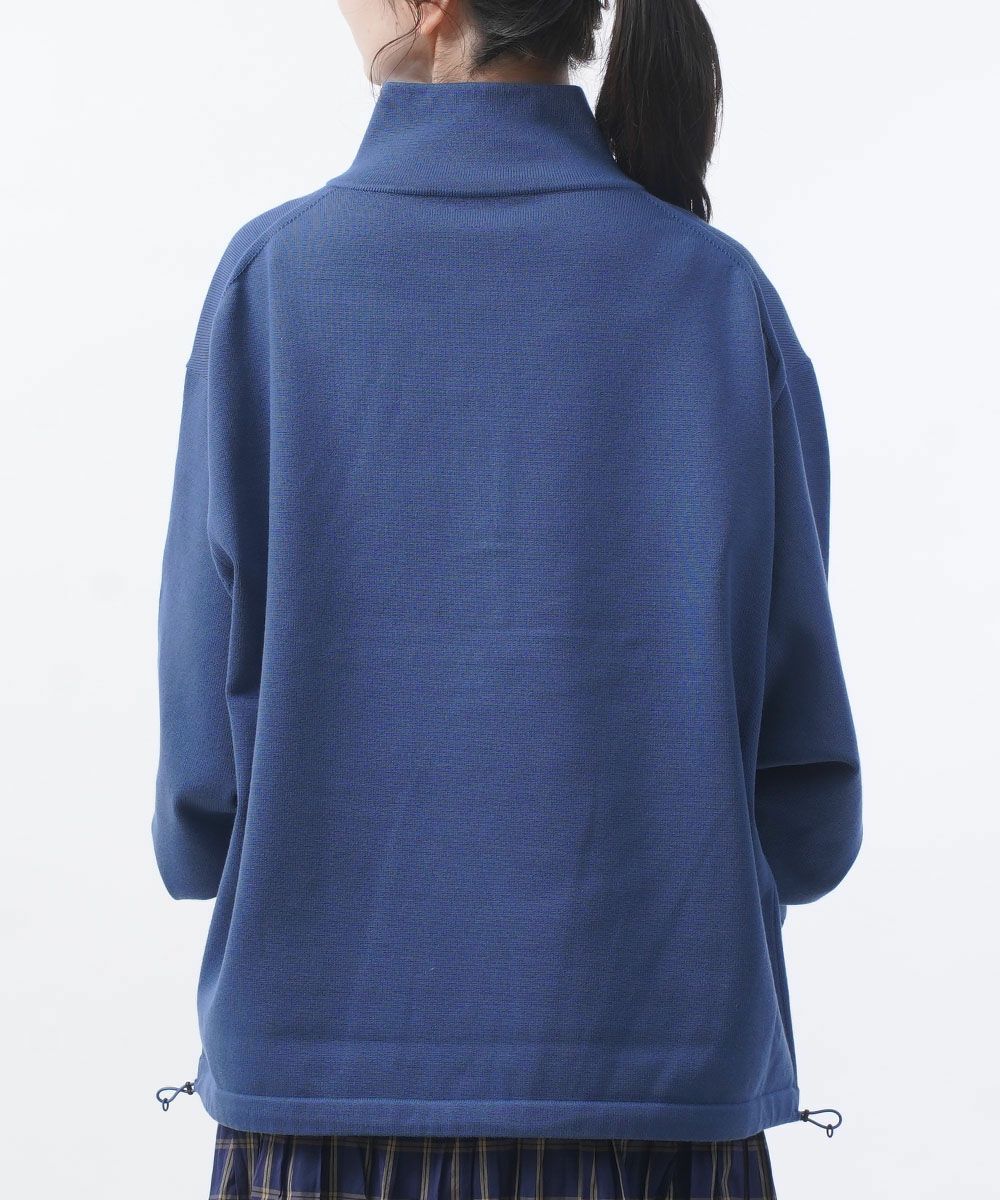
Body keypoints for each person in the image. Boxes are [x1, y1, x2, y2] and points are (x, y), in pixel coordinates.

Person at [152, 1, 863, 1197]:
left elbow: (199, 802)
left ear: (433, 7)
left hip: (322, 1078)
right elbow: (805, 793)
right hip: (655, 1081)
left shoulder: (276, 281)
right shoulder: (715, 292)